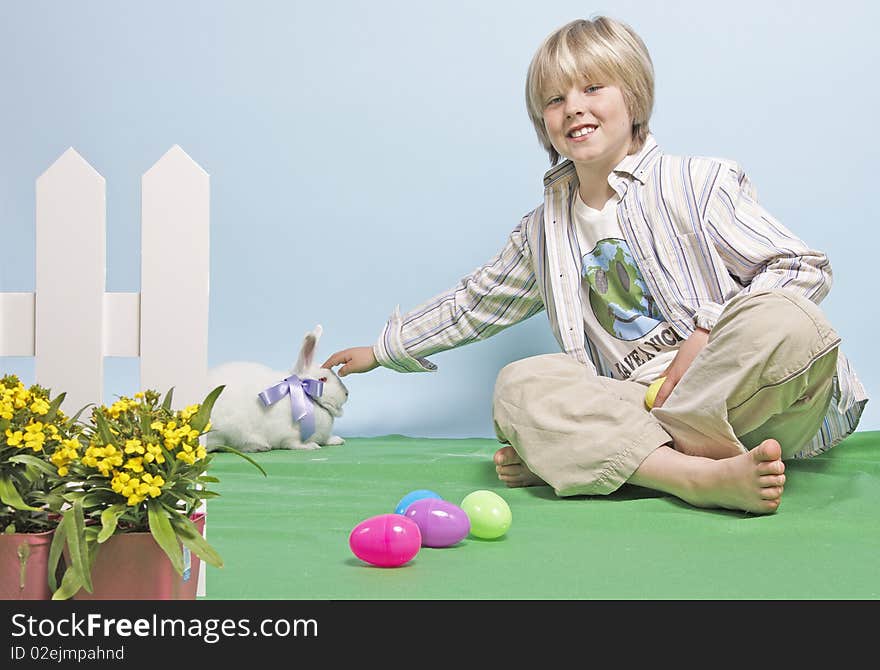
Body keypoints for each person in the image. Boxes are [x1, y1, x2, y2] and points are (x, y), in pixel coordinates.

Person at [322, 16, 868, 514]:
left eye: (592, 88)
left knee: (793, 321)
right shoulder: (543, 232)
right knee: (520, 384)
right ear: (544, 121)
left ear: (632, 96)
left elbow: (801, 266)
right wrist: (383, 351)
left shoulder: (698, 182)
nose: (574, 108)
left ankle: (614, 458)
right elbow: (474, 303)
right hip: (636, 399)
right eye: (555, 99)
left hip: (739, 396)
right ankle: (693, 477)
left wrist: (706, 332)